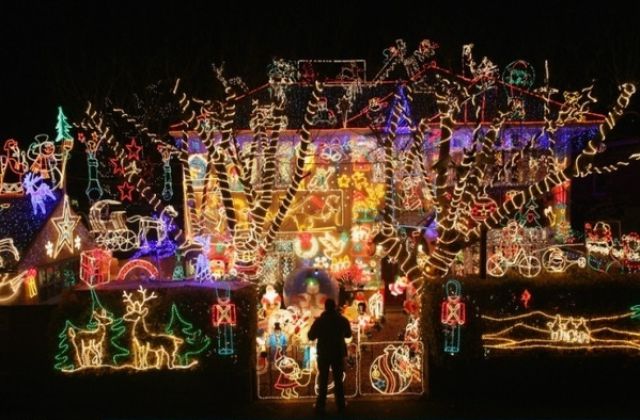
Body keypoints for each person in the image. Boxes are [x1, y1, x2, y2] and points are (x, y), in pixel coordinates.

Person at [307, 298, 352, 414]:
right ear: (335, 307)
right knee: (338, 380)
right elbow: (348, 334)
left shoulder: (320, 321)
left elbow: (311, 336)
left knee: (323, 379)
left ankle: (320, 404)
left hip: (324, 353)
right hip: (338, 352)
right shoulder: (342, 320)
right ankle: (341, 404)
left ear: (325, 307)